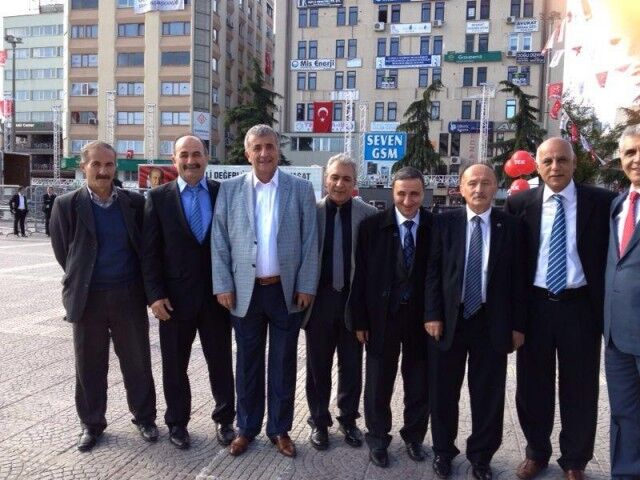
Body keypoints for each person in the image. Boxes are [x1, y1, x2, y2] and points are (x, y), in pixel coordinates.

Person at [504, 137, 616, 480]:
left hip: (580, 308)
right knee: (532, 385)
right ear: (537, 166)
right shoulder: (519, 203)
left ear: (574, 163)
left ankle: (575, 460)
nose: (555, 167)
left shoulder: (602, 202)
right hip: (536, 307)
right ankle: (536, 453)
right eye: (548, 161)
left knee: (580, 387)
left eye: (562, 160)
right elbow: (512, 263)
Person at [211, 124, 318, 458]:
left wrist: (306, 284)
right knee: (247, 364)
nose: (264, 153)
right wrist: (223, 284)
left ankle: (280, 429)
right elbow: (219, 240)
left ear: (277, 150)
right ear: (248, 153)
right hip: (246, 292)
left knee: (283, 363)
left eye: (269, 146)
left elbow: (310, 240)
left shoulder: (300, 189)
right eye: (257, 147)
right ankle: (246, 428)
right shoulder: (230, 190)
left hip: (285, 291)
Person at [49, 141, 157, 452]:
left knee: (137, 361)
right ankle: (92, 424)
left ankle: (145, 418)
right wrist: (83, 278)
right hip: (88, 299)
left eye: (108, 164)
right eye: (96, 164)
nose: (103, 171)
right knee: (89, 365)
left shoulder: (134, 203)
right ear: (84, 167)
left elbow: (144, 249)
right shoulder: (66, 205)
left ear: (115, 167)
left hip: (128, 296)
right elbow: (63, 251)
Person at [425, 163, 526, 480]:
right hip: (449, 321)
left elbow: (519, 281)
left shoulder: (511, 226)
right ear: (461, 188)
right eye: (472, 183)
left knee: (488, 395)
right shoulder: (444, 223)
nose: (479, 189)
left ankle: (481, 457)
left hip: (491, 322)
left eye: (486, 183)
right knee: (443, 392)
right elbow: (432, 272)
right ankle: (443, 452)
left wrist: (518, 325)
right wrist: (432, 314)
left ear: (496, 187)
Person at [142, 134, 235, 449]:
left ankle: (225, 419)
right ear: (174, 160)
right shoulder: (158, 198)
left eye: (197, 154)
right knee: (174, 366)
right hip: (174, 301)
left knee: (221, 363)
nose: (191, 161)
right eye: (184, 155)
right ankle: (177, 423)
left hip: (217, 299)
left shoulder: (223, 194)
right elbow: (149, 252)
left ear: (207, 158)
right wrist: (154, 295)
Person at [350, 166, 432, 468]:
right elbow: (360, 277)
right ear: (392, 193)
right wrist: (360, 320)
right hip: (381, 318)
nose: (408, 201)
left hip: (422, 320)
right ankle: (377, 438)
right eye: (401, 194)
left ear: (423, 194)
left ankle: (414, 436)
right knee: (378, 383)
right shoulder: (371, 227)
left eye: (414, 194)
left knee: (419, 383)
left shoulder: (435, 226)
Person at [304, 154, 377, 451]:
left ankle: (348, 419)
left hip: (352, 302)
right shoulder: (312, 212)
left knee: (351, 365)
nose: (339, 184)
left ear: (355, 183)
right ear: (326, 180)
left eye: (346, 179)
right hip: (319, 302)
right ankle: (319, 421)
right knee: (317, 367)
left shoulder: (369, 215)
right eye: (334, 177)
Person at [604, 125, 640, 480]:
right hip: (617, 336)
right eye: (630, 152)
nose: (636, 159)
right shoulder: (617, 205)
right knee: (624, 413)